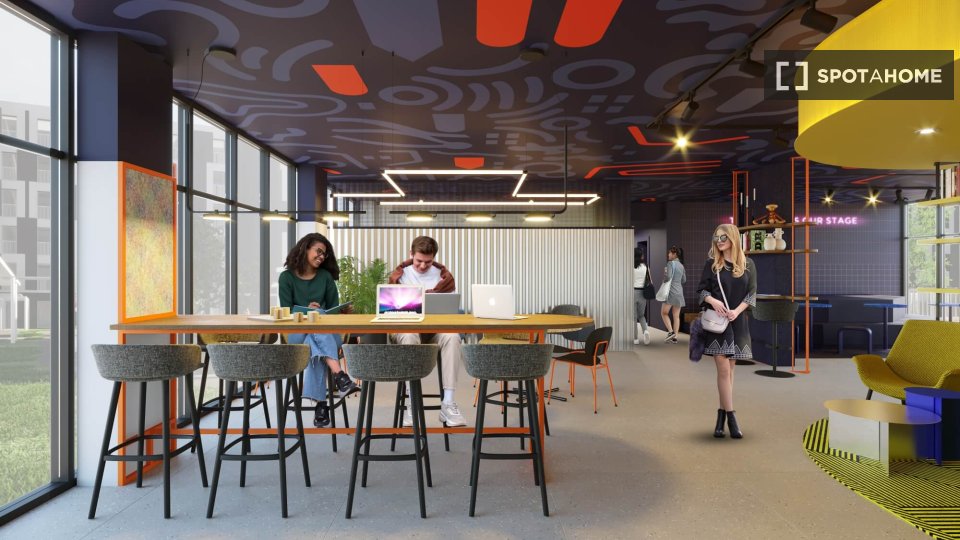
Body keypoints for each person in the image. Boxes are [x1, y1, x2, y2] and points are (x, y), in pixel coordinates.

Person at [279, 232, 358, 428]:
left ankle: (322, 403)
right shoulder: (286, 277)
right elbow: (286, 311)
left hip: (327, 335)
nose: (322, 257)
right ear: (305, 248)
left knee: (316, 338)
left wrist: (339, 311)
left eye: (325, 254)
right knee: (316, 322)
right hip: (296, 335)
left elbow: (333, 311)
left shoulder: (325, 277)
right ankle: (339, 376)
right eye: (319, 251)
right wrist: (307, 312)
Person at [388, 236, 467, 427]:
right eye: (419, 261)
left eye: (428, 262)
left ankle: (448, 403)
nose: (423, 266)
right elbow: (390, 308)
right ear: (411, 254)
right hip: (406, 329)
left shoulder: (444, 278)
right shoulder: (400, 276)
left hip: (434, 330)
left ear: (434, 258)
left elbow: (449, 312)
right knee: (409, 335)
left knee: (453, 337)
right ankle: (412, 402)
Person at [696, 223, 756, 439]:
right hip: (717, 324)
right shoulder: (711, 264)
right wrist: (714, 301)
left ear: (733, 238)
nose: (719, 241)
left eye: (723, 237)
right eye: (716, 238)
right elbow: (701, 291)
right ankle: (732, 418)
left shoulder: (748, 264)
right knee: (723, 370)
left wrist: (737, 311)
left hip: (737, 323)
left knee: (730, 371)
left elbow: (752, 294)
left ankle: (720, 418)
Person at [660, 246, 686, 343]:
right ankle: (675, 338)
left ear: (674, 254)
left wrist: (665, 277)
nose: (668, 254)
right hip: (679, 292)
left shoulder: (670, 263)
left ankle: (671, 332)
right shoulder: (681, 266)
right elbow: (684, 280)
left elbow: (668, 277)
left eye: (670, 253)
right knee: (676, 316)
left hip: (671, 291)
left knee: (664, 313)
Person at [633, 252, 651, 345]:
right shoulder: (646, 267)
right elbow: (650, 280)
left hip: (633, 292)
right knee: (641, 315)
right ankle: (645, 331)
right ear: (641, 256)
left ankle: (635, 339)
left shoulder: (631, 267)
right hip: (643, 293)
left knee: (634, 317)